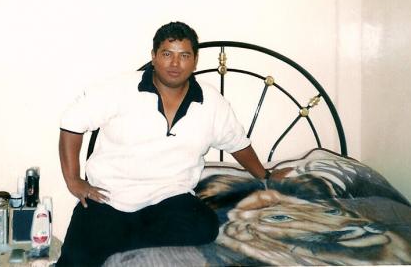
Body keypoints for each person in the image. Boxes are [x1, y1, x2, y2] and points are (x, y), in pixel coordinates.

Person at [56, 21, 272, 266]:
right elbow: (71, 122)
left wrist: (265, 175)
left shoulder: (211, 102)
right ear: (154, 56)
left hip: (169, 198)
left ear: (195, 60)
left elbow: (237, 143)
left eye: (184, 56)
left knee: (205, 226)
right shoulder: (120, 88)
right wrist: (73, 180)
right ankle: (113, 236)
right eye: (167, 54)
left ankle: (116, 239)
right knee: (74, 260)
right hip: (109, 198)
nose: (175, 63)